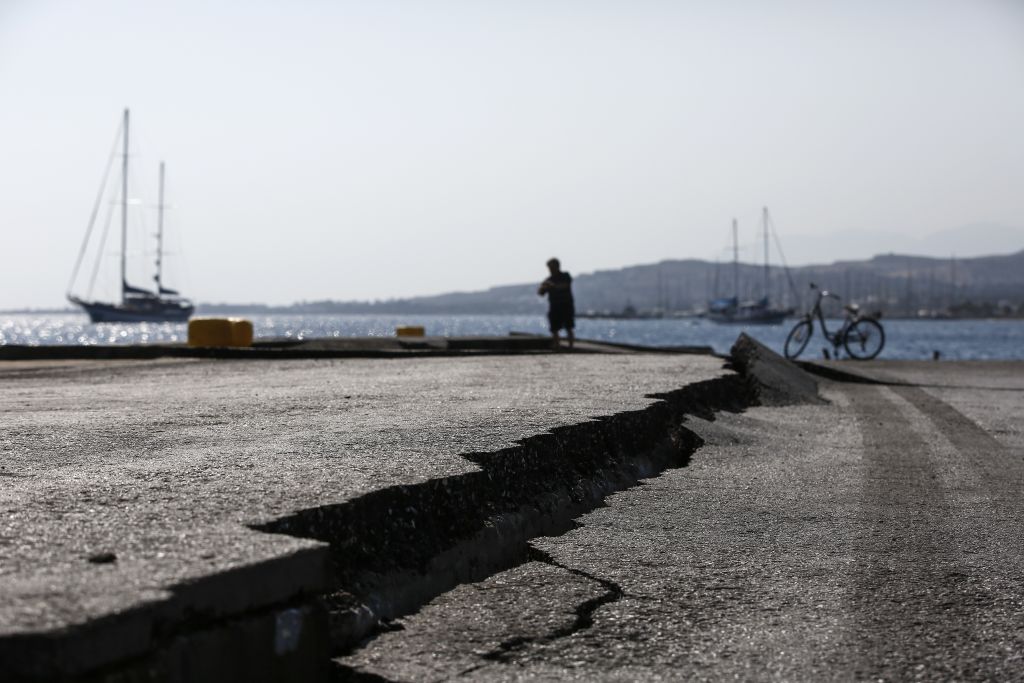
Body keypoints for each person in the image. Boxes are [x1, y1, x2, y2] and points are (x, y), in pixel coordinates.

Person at [538, 258, 575, 348]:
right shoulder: (548, 280)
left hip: (566, 305)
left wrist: (552, 286)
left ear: (557, 266)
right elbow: (540, 293)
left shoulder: (565, 276)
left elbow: (565, 285)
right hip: (554, 306)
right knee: (554, 328)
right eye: (549, 267)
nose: (550, 269)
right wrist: (543, 288)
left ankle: (571, 346)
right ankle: (557, 345)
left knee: (568, 326)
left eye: (551, 267)